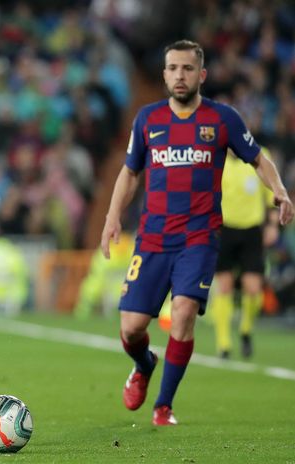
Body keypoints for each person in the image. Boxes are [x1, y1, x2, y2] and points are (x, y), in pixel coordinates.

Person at [100, 39, 293, 426]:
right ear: (164, 74)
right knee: (132, 328)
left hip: (200, 239)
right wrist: (111, 217)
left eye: (188, 69)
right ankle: (144, 364)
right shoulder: (148, 120)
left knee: (185, 312)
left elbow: (258, 159)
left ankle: (163, 406)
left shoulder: (223, 119)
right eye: (173, 68)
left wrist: (281, 192)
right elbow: (130, 172)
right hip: (153, 239)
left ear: (201, 74)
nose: (180, 76)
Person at [211, 147, 279, 359]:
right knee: (224, 286)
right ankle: (223, 344)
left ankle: (246, 329)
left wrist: (272, 225)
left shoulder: (259, 155)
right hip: (224, 229)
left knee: (254, 288)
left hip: (251, 230)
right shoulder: (216, 159)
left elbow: (272, 194)